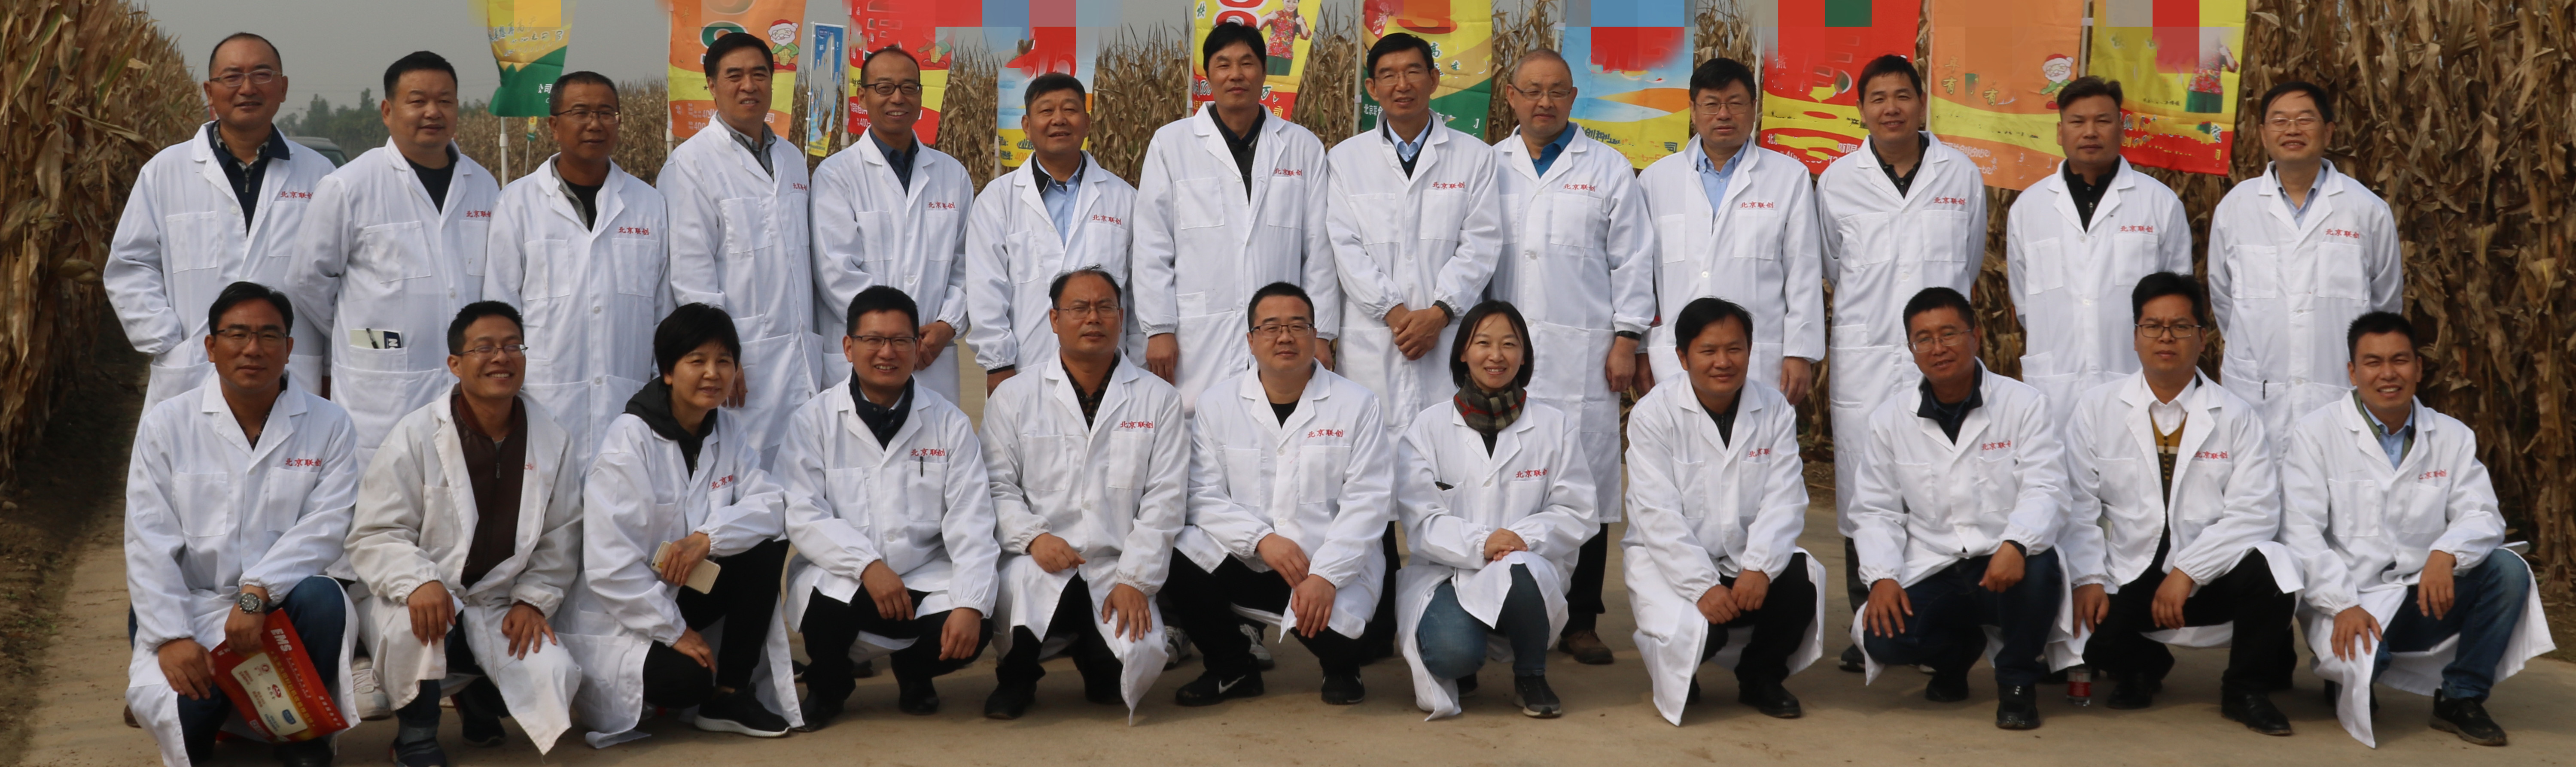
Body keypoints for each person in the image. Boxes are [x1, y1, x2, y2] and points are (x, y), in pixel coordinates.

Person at [2281, 312, 2551, 748]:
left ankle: (2461, 697)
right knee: (2365, 663)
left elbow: (2482, 514)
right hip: (2351, 598)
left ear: (2419, 367)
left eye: (2400, 360)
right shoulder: (2316, 434)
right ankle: (2348, 675)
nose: (2388, 373)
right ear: (2352, 371)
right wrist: (2342, 603)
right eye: (2373, 362)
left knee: (2508, 570)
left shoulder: (2451, 435)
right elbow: (2300, 531)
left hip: (2423, 594)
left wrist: (2446, 553)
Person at [125, 282, 357, 767]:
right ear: (211, 346)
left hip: (281, 605)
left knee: (324, 597)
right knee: (188, 718)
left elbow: (326, 526)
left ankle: (297, 735)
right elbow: (148, 538)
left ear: (289, 348)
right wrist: (171, 637)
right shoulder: (168, 424)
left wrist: (256, 593)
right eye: (237, 334)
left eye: (269, 335)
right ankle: (214, 711)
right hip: (189, 604)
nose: (253, 348)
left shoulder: (330, 423)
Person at [347, 301, 585, 765]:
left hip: (498, 600)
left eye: (513, 346)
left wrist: (533, 599)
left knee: (552, 670)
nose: (501, 357)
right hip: (416, 596)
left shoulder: (552, 438)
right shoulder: (416, 433)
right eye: (485, 348)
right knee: (418, 629)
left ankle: (478, 697)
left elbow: (561, 535)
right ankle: (416, 736)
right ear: (455, 364)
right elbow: (376, 532)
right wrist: (419, 580)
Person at [2057, 273, 2296, 735]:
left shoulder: (2236, 415)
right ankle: (2142, 665)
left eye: (2181, 326)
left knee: (2276, 569)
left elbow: (2255, 511)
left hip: (2210, 573)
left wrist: (2188, 571)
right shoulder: (2096, 409)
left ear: (2202, 338)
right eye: (2153, 326)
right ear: (2135, 337)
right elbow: (2078, 504)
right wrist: (2088, 578)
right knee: (2077, 633)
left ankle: (2245, 690)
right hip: (2130, 565)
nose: (2166, 337)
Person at [1812, 54, 1987, 671]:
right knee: (1866, 488)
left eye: (1902, 96)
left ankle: (1940, 623)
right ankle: (1868, 620)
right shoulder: (1837, 181)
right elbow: (1833, 266)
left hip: (1940, 358)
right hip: (1868, 359)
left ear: (1921, 102)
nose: (1891, 108)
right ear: (1860, 109)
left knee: (1942, 484)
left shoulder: (1960, 174)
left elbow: (1967, 262)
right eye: (1878, 98)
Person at [1486, 48, 1656, 667]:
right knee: (1509, 479)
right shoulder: (1488, 166)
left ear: (1573, 98)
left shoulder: (1607, 168)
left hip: (1583, 354)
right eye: (1532, 90)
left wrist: (1627, 338)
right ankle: (1507, 606)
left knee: (1586, 483)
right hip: (1502, 355)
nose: (1544, 102)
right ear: (1510, 96)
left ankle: (1582, 618)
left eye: (1556, 91)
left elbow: (1632, 259)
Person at [564, 303, 799, 743]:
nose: (713, 373)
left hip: (684, 587)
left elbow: (770, 503)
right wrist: (676, 632)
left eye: (724, 361)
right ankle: (668, 681)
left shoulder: (726, 429)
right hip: (625, 609)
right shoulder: (628, 444)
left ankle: (730, 694)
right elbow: (610, 568)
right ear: (669, 371)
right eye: (697, 360)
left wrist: (707, 538)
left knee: (767, 546)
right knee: (686, 681)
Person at [1851, 287, 2073, 731]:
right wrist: (1882, 577)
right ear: (1911, 349)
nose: (1938, 347)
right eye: (1924, 339)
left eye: (1949, 333)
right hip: (1935, 564)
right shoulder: (1889, 420)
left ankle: (2017, 682)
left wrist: (2016, 542)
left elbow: (2046, 487)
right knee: (1883, 637)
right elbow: (1875, 509)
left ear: (1975, 336)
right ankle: (1954, 657)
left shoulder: (2022, 404)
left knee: (2039, 569)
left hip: (2003, 560)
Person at [1165, 282, 1395, 706]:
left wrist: (1327, 575)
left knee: (1344, 641)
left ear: (1315, 335)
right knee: (1178, 550)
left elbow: (1368, 503)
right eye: (1270, 327)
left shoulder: (1358, 404)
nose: (1284, 337)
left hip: (1324, 563)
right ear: (1251, 340)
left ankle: (1341, 667)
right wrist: (1261, 540)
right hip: (1252, 556)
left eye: (1297, 326)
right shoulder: (1217, 403)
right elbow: (1200, 494)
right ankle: (1232, 666)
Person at [778, 286, 998, 727]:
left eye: (900, 340)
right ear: (848, 347)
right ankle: (829, 686)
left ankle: (915, 672)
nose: (887, 352)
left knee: (974, 621)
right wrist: (867, 565)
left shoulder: (949, 423)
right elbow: (802, 512)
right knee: (824, 610)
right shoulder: (814, 420)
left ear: (918, 347)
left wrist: (971, 605)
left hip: (924, 573)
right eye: (873, 340)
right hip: (847, 573)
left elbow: (973, 521)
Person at [980, 268, 1187, 720]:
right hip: (1039, 559)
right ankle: (1017, 675)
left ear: (1121, 318)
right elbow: (995, 486)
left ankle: (1095, 658)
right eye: (1079, 308)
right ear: (1055, 320)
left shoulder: (1159, 399)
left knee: (1124, 667)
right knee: (1024, 590)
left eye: (1105, 307)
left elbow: (1166, 499)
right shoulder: (1013, 397)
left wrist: (1135, 580)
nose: (1093, 318)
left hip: (1116, 563)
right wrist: (1033, 537)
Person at [285, 51, 499, 468]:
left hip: (467, 389)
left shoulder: (484, 186)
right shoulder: (349, 186)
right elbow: (307, 280)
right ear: (388, 111)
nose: (433, 112)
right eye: (418, 101)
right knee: (383, 498)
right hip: (382, 395)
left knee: (464, 495)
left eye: (445, 101)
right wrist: (362, 333)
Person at [107, 33, 339, 410]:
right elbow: (131, 265)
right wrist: (169, 342)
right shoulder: (165, 172)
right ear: (209, 92)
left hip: (292, 371)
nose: (247, 88)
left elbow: (335, 279)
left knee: (290, 448)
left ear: (282, 88)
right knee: (190, 449)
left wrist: (330, 368)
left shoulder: (320, 175)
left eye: (262, 75)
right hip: (194, 371)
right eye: (232, 77)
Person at [1392, 300, 1599, 719]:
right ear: (1462, 353)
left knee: (1518, 571)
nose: (1496, 355)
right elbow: (1421, 519)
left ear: (1524, 355)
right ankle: (1465, 654)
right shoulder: (1429, 427)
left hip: (1525, 566)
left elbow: (1576, 508)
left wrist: (1522, 539)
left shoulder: (1553, 425)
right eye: (1483, 343)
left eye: (1509, 344)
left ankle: (1531, 673)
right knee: (1451, 655)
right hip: (1449, 570)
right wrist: (1482, 542)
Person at [1622, 297, 1821, 725]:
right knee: (1698, 635)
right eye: (1708, 350)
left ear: (1750, 350)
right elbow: (1656, 513)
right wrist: (1701, 585)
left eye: (1735, 349)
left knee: (1799, 582)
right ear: (1682, 357)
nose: (1723, 362)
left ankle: (1760, 675)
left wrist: (1760, 567)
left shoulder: (1774, 409)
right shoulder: (1654, 414)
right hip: (1670, 561)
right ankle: (1683, 669)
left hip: (1743, 556)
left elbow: (1785, 497)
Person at [1131, 21, 1339, 412]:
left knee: (1280, 422)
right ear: (1208, 74)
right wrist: (1158, 328)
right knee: (1197, 423)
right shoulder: (1172, 144)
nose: (1236, 74)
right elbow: (1152, 245)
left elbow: (1320, 252)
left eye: (1247, 63)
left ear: (1264, 71)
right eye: (1224, 64)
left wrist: (1323, 333)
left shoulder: (1302, 147)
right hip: (1197, 333)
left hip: (1281, 332)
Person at [481, 72, 669, 466]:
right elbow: (500, 310)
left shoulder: (649, 205)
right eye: (580, 112)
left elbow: (662, 313)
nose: (595, 124)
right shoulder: (517, 205)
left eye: (606, 113)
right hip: (543, 404)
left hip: (628, 407)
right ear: (554, 125)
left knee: (624, 497)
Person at [1326, 32, 1504, 435]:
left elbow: (1481, 244)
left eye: (1413, 72)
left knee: (1450, 448)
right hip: (1375, 339)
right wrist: (1393, 312)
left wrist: (1440, 313)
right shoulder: (1345, 159)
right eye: (1388, 75)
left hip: (1448, 334)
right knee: (1372, 449)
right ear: (1372, 88)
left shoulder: (1475, 157)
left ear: (1434, 79)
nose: (1402, 85)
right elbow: (1344, 247)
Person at [2208, 81, 2405, 443]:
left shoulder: (2366, 210)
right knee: (2256, 474)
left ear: (2328, 131)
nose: (2292, 130)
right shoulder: (2236, 208)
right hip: (2257, 395)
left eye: (2305, 119)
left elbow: (2385, 305)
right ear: (2263, 134)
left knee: (2338, 472)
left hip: (2338, 392)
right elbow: (2224, 301)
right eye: (2280, 121)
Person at [661, 32, 817, 469]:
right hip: (742, 361)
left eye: (759, 74)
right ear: (712, 85)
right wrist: (721, 353)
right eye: (734, 76)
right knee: (739, 477)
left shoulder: (791, 159)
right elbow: (691, 274)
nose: (749, 86)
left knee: (805, 477)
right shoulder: (691, 164)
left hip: (799, 357)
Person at [2004, 76, 2193, 423]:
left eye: (2103, 121)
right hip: (2057, 384)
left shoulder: (2159, 203)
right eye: (2078, 122)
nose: (2090, 132)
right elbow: (2025, 303)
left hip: (2135, 376)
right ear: (2060, 132)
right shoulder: (2029, 208)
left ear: (2121, 130)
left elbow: (2178, 302)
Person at [1638, 57, 1822, 400]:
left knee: (1756, 432)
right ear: (1692, 110)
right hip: (1675, 358)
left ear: (1754, 107)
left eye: (1735, 103)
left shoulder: (1788, 177)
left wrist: (1800, 352)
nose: (1723, 114)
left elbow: (1804, 271)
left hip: (1760, 358)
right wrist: (1640, 350)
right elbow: (1641, 277)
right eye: (1711, 104)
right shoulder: (1655, 180)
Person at [811, 45, 973, 400]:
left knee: (934, 434)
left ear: (920, 96)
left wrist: (947, 325)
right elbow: (836, 272)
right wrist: (897, 337)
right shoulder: (837, 175)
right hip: (865, 354)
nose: (898, 98)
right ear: (863, 97)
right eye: (884, 88)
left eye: (908, 88)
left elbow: (966, 266)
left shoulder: (953, 175)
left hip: (932, 359)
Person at [966, 73, 1142, 391]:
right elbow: (986, 290)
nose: (1059, 119)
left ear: (1087, 123)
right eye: (1046, 111)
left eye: (1070, 110)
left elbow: (1139, 293)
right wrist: (998, 364)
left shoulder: (1125, 199)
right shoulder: (997, 200)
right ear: (1026, 125)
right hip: (1024, 371)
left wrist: (1139, 364)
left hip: (1110, 372)